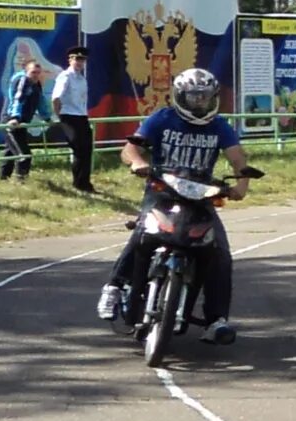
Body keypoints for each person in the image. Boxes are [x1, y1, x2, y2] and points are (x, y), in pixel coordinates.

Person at [97, 67, 251, 343]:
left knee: (219, 252)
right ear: (180, 96)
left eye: (205, 97)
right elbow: (131, 148)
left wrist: (241, 183)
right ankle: (114, 286)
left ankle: (216, 320)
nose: (199, 102)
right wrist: (138, 162)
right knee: (143, 232)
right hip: (162, 192)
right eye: (193, 97)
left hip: (201, 198)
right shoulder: (162, 119)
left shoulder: (219, 126)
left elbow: (238, 158)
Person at [51, 45, 96, 192]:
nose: (80, 62)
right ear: (70, 60)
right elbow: (56, 98)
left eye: (82, 60)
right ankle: (78, 183)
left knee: (87, 149)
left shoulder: (82, 78)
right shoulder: (65, 76)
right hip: (69, 116)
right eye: (77, 59)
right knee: (78, 148)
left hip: (81, 116)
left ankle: (86, 183)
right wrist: (60, 116)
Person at [0, 46, 46, 181]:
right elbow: (17, 100)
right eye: (33, 72)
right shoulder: (22, 81)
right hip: (11, 120)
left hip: (22, 122)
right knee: (23, 154)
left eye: (38, 72)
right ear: (26, 71)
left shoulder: (36, 85)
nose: (36, 75)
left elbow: (41, 102)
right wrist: (15, 118)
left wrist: (47, 117)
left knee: (10, 151)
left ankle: (3, 179)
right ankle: (21, 182)